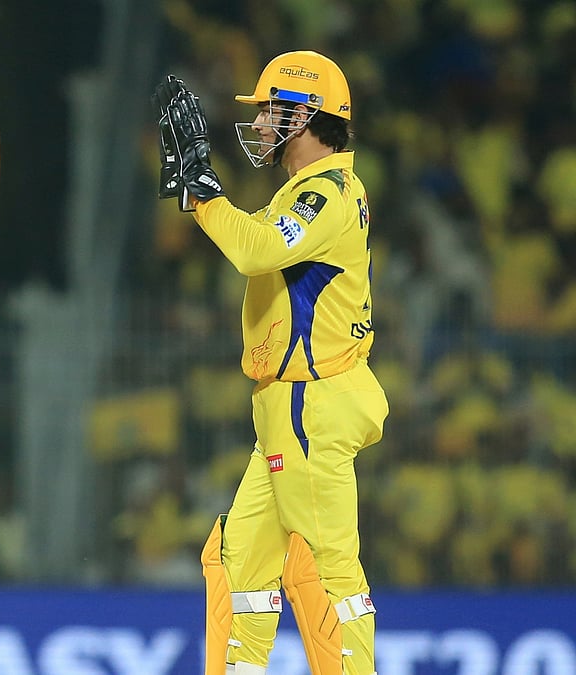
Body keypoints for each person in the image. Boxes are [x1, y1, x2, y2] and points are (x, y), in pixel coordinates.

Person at [153, 51, 388, 675]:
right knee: (242, 566)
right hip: (290, 409)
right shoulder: (311, 191)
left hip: (310, 402)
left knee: (332, 571)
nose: (257, 126)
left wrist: (203, 189)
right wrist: (198, 194)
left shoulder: (326, 195)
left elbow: (255, 251)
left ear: (304, 115)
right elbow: (251, 238)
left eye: (267, 112)